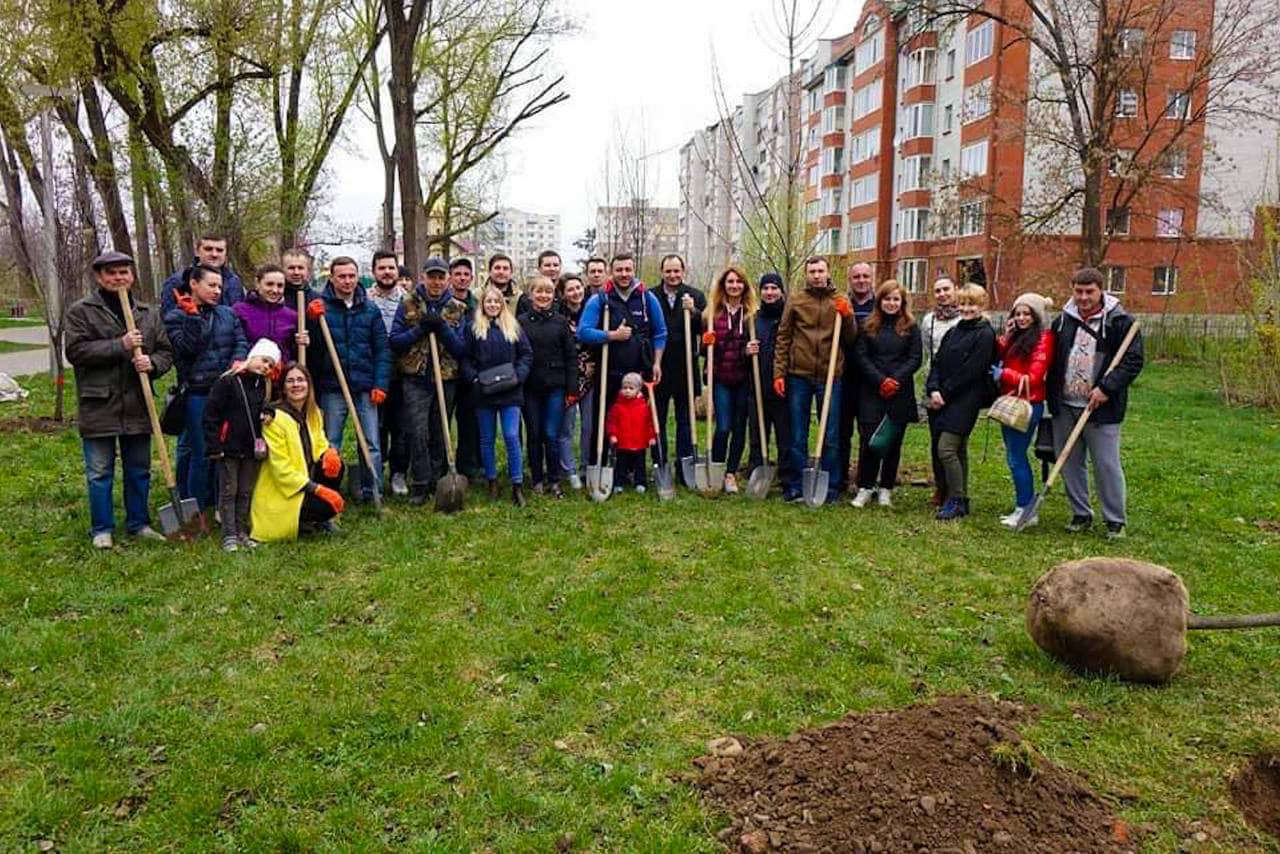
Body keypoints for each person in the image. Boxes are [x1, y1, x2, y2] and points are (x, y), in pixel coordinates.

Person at [66, 251, 175, 548]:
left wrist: (152, 363)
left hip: (138, 403)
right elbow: (76, 352)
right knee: (99, 471)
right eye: (111, 273)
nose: (118, 278)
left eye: (123, 272)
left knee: (138, 469)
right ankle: (102, 529)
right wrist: (120, 345)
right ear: (100, 277)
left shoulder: (147, 312)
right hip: (99, 402)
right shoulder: (82, 311)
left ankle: (138, 523)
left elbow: (166, 351)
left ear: (132, 275)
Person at [1046, 267, 1144, 538]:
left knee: (1106, 464)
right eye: (1079, 291)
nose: (1084, 297)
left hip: (1101, 407)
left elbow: (1132, 361)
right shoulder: (1063, 321)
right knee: (1069, 462)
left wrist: (1107, 388)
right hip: (1065, 405)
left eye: (1090, 291)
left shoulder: (1120, 322)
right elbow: (1051, 356)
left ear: (1101, 290)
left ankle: (1115, 520)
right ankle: (1080, 513)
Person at [305, 256, 392, 504]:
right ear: (331, 278)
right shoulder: (321, 308)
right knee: (331, 443)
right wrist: (312, 323)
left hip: (365, 387)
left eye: (351, 276)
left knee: (372, 443)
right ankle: (328, 493)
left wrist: (380, 384)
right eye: (341, 276)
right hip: (333, 388)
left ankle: (372, 491)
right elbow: (313, 350)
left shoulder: (370, 308)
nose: (347, 281)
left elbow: (382, 350)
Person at [165, 264, 249, 510]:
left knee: (224, 451)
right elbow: (188, 349)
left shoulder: (227, 314)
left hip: (226, 390)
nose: (217, 291)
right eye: (211, 285)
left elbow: (240, 340)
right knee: (202, 451)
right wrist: (192, 317)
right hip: (197, 393)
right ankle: (196, 507)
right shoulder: (175, 317)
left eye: (220, 286)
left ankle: (217, 501)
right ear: (193, 284)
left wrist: (238, 360)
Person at [772, 256, 855, 503]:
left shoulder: (839, 300)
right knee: (798, 435)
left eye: (820, 271)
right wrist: (779, 372)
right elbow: (783, 337)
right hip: (800, 375)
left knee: (830, 435)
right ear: (806, 274)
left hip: (831, 376)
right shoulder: (797, 300)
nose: (816, 275)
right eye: (812, 271)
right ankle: (797, 485)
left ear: (828, 273)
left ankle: (829, 487)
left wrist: (848, 316)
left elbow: (850, 339)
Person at [575, 253, 668, 466]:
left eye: (628, 269)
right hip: (610, 370)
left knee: (638, 420)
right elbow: (583, 332)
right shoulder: (600, 299)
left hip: (639, 372)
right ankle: (598, 463)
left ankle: (634, 468)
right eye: (619, 270)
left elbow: (661, 332)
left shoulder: (647, 298)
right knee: (605, 419)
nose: (624, 274)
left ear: (634, 270)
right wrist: (611, 335)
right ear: (611, 272)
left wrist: (657, 362)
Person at [389, 256, 468, 504]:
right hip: (415, 378)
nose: (436, 282)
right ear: (423, 277)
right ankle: (420, 483)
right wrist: (420, 330)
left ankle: (438, 480)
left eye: (440, 277)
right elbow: (395, 341)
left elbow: (461, 349)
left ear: (447, 279)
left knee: (440, 430)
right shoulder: (407, 303)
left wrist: (442, 328)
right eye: (431, 276)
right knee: (417, 431)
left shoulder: (458, 308)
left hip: (446, 378)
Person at [250, 363, 347, 541]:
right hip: (285, 489)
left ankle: (317, 520)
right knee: (327, 506)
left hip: (306, 475)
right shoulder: (274, 419)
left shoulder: (313, 412)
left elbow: (319, 443)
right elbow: (281, 471)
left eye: (301, 380)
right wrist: (318, 490)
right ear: (284, 388)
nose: (296, 385)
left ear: (308, 385)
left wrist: (329, 453)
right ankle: (306, 519)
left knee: (336, 468)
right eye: (290, 381)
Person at [925, 284, 997, 521]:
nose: (967, 309)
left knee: (946, 449)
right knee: (959, 450)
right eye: (964, 304)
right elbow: (937, 362)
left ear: (981, 306)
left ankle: (955, 498)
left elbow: (972, 370)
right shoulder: (954, 331)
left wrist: (945, 391)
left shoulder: (985, 334)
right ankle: (961, 499)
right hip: (942, 397)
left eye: (972, 304)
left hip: (965, 400)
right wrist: (933, 388)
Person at [202, 339, 280, 551]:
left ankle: (241, 530)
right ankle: (229, 534)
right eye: (264, 360)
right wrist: (214, 445)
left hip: (251, 448)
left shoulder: (264, 385)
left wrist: (269, 412)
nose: (266, 366)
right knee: (229, 490)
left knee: (245, 490)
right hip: (228, 446)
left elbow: (268, 404)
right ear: (252, 356)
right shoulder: (228, 381)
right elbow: (211, 414)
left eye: (271, 365)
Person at [850, 280, 922, 508]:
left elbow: (915, 357)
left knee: (892, 442)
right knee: (869, 441)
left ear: (902, 302)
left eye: (895, 299)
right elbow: (861, 356)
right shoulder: (867, 325)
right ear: (880, 301)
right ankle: (865, 486)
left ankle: (886, 488)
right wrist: (880, 380)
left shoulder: (910, 327)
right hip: (872, 390)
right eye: (887, 299)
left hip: (899, 392)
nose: (891, 303)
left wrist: (896, 380)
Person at [461, 285, 533, 506]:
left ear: (502, 304)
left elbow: (526, 354)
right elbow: (465, 358)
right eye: (488, 302)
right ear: (482, 304)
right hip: (485, 391)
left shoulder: (513, 327)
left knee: (512, 436)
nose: (492, 305)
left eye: (496, 302)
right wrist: (474, 379)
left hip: (510, 391)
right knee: (487, 439)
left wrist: (519, 376)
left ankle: (517, 484)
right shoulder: (474, 328)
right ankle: (491, 481)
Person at [994, 292, 1055, 528]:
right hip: (1010, 402)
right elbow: (999, 354)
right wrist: (1006, 336)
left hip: (1028, 405)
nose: (1021, 318)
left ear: (1036, 316)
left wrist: (1005, 375)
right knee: (1013, 456)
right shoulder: (1017, 338)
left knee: (1017, 457)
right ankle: (1023, 505)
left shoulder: (1043, 339)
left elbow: (1035, 377)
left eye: (1026, 313)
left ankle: (1026, 509)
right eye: (1017, 313)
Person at [519, 275, 578, 497]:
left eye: (548, 292)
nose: (544, 296)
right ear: (531, 294)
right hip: (530, 386)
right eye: (539, 291)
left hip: (556, 385)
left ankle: (554, 479)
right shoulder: (522, 322)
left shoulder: (561, 322)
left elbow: (571, 357)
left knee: (551, 433)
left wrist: (572, 389)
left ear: (554, 295)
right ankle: (536, 478)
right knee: (534, 433)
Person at [703, 265, 759, 494]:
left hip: (743, 378)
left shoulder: (752, 315)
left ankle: (730, 473)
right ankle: (716, 468)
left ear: (744, 286)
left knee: (738, 428)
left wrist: (750, 351)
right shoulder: (711, 314)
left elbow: (756, 345)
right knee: (723, 426)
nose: (734, 286)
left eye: (738, 282)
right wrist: (704, 343)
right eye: (730, 282)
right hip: (721, 379)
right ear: (723, 285)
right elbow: (701, 350)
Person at [651, 253, 705, 485]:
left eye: (677, 271)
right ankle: (660, 463)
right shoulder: (651, 296)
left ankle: (685, 466)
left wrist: (693, 312)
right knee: (658, 419)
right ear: (662, 272)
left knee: (685, 421)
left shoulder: (695, 295)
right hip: (659, 368)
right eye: (668, 271)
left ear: (684, 271)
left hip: (685, 368)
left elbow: (704, 326)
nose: (673, 275)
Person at [367, 250, 409, 496]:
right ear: (374, 271)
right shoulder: (366, 299)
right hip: (373, 373)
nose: (387, 272)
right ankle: (374, 473)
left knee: (402, 427)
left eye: (391, 268)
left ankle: (398, 472)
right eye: (382, 268)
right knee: (376, 427)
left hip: (403, 372)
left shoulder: (409, 300)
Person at [745, 272, 793, 490]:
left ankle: (786, 475)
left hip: (784, 386)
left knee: (785, 434)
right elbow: (740, 353)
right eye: (766, 288)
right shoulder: (753, 320)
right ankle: (757, 470)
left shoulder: (790, 317)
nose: (770, 292)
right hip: (757, 384)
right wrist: (746, 350)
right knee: (757, 432)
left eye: (774, 288)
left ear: (781, 291)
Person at [918, 276, 963, 505]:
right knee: (936, 441)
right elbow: (928, 352)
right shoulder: (929, 321)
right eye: (937, 290)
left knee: (954, 443)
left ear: (956, 290)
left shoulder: (965, 319)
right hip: (933, 384)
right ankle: (940, 487)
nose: (942, 294)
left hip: (958, 387)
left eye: (946, 289)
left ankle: (958, 490)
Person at [835, 261, 877, 500]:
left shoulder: (879, 305)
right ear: (850, 280)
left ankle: (864, 480)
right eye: (856, 277)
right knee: (842, 431)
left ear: (871, 278)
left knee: (867, 431)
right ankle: (840, 477)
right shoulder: (843, 304)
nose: (861, 280)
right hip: (844, 375)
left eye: (865, 276)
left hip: (870, 379)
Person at [557, 272, 594, 490]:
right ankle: (568, 469)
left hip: (590, 376)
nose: (575, 292)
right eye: (570, 289)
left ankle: (586, 467)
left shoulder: (592, 311)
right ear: (563, 294)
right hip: (568, 379)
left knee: (589, 426)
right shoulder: (559, 317)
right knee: (567, 427)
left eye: (578, 287)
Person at [448, 257, 482, 479]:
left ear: (471, 278)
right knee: (441, 420)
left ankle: (469, 466)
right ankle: (441, 465)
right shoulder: (445, 304)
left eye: (465, 275)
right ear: (451, 277)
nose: (461, 278)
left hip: (471, 373)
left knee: (470, 422)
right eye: (457, 274)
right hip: (447, 371)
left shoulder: (477, 307)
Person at [234, 264, 307, 361]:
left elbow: (293, 353)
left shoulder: (292, 316)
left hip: (280, 372)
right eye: (269, 284)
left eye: (280, 286)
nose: (275, 290)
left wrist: (301, 344)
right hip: (247, 371)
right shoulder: (239, 311)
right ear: (257, 283)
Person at [160, 233, 245, 313]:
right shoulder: (178, 281)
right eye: (208, 249)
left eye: (219, 250)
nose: (214, 254)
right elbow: (169, 318)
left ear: (225, 254)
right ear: (197, 252)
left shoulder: (234, 282)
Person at [605, 372, 657, 493]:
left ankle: (640, 482)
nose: (627, 391)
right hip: (623, 442)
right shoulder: (617, 406)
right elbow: (612, 422)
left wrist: (651, 436)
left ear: (638, 390)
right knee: (620, 465)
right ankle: (618, 483)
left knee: (640, 465)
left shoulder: (644, 407)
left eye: (631, 388)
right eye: (624, 388)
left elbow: (649, 423)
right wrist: (612, 434)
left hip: (639, 443)